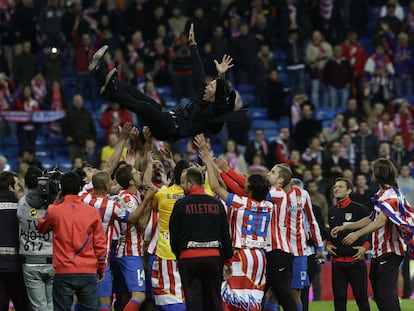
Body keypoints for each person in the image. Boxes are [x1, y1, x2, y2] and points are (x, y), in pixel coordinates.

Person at [89, 23, 246, 142]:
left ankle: (112, 91)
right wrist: (193, 46)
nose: (208, 85)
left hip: (171, 129)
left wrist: (220, 77)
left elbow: (220, 103)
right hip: (167, 116)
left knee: (145, 107)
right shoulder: (202, 97)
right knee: (136, 93)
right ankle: (99, 71)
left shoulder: (213, 113)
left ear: (217, 93)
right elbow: (199, 73)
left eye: (212, 85)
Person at [198, 135, 273, 311]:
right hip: (260, 257)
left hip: (242, 255)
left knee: (232, 298)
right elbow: (231, 186)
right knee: (253, 297)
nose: (244, 181)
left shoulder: (242, 202)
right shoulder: (269, 206)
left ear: (251, 190)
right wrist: (223, 169)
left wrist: (209, 162)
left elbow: (218, 188)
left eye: (248, 182)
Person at [332, 159, 408, 311]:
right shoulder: (381, 194)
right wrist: (346, 227)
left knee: (386, 294)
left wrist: (356, 234)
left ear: (378, 174)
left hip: (390, 251)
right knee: (379, 294)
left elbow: (380, 221)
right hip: (378, 252)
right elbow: (371, 218)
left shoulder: (391, 196)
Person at [37, 172, 106, 311]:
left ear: (61, 189)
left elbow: (41, 227)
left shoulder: (54, 211)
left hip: (63, 271)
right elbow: (99, 244)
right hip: (88, 270)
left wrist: (55, 202)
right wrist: (101, 267)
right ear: (80, 188)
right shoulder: (92, 212)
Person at [169, 167, 233, 311]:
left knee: (194, 303)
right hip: (213, 258)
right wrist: (228, 260)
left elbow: (174, 235)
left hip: (189, 258)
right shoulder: (217, 204)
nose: (182, 186)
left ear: (191, 183)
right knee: (214, 301)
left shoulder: (180, 204)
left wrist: (178, 256)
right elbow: (225, 235)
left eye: (183, 182)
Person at [151, 160, 190, 310]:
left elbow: (155, 210)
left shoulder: (161, 194)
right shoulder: (193, 196)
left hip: (166, 249)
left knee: (168, 293)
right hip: (187, 249)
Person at [327, 178, 371, 311]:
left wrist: (365, 247)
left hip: (356, 262)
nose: (336, 189)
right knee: (339, 300)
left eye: (340, 187)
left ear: (349, 191)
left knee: (361, 299)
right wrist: (328, 244)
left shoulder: (359, 209)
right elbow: (332, 233)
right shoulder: (332, 211)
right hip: (337, 263)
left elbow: (372, 229)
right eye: (335, 187)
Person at [17, 167, 54, 311]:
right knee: (52, 305)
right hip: (52, 259)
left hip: (30, 261)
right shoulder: (53, 203)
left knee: (39, 307)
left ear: (26, 185)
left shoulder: (21, 204)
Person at [0, 171, 32, 311]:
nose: (20, 187)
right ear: (10, 188)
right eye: (18, 184)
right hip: (17, 266)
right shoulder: (23, 208)